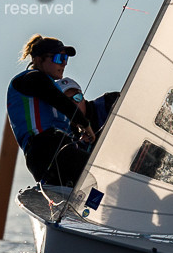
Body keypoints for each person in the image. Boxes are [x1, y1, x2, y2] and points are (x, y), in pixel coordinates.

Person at [6, 34, 119, 188]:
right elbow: (60, 102)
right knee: (105, 175)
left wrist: (79, 136)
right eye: (58, 59)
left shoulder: (49, 86)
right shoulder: (30, 79)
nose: (64, 63)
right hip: (46, 151)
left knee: (97, 182)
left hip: (55, 153)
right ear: (38, 60)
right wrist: (85, 125)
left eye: (66, 59)